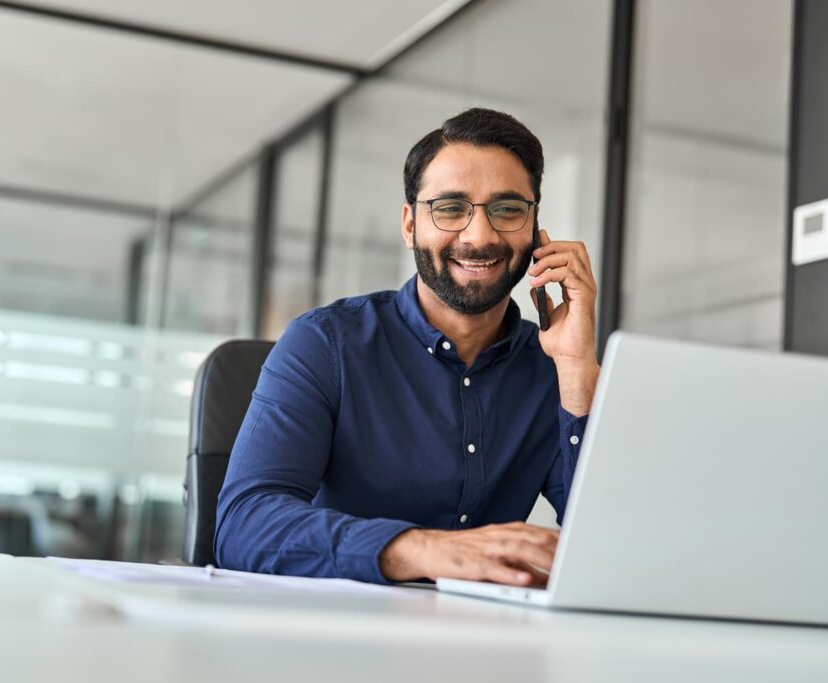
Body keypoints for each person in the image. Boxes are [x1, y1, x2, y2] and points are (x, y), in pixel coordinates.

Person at [215, 107, 600, 586]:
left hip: (488, 644)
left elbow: (611, 545)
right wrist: (426, 551)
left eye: (507, 210)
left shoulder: (552, 368)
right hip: (333, 636)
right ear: (409, 224)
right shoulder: (324, 343)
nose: (479, 236)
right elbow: (243, 525)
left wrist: (578, 368)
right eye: (450, 208)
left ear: (535, 228)